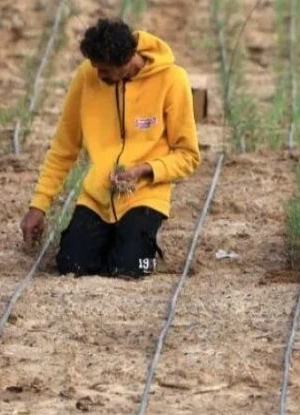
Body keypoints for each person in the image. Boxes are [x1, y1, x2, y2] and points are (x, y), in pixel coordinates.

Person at [20, 18, 201, 278]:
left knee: (129, 268)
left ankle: (140, 249)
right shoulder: (87, 76)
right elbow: (64, 147)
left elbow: (188, 155)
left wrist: (144, 170)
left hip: (145, 195)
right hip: (98, 196)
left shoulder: (172, 79)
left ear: (126, 61)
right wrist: (38, 206)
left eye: (103, 70)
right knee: (72, 265)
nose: (97, 74)